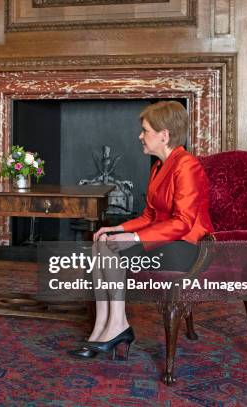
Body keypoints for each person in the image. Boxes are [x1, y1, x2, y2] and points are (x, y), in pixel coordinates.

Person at [69, 101, 214, 360]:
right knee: (102, 242)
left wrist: (133, 237)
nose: (140, 136)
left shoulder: (187, 166)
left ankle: (118, 325)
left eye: (145, 130)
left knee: (112, 249)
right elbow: (149, 216)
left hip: (187, 248)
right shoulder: (159, 167)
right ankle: (103, 327)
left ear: (164, 135)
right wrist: (115, 228)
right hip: (164, 240)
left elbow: (182, 223)